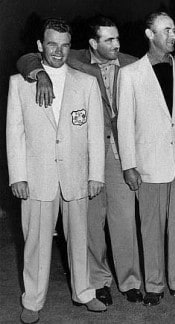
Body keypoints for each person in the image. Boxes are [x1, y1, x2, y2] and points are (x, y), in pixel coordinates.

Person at [16, 15, 142, 306]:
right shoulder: (73, 57)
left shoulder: (133, 62)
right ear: (92, 42)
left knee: (124, 221)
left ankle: (130, 282)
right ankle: (98, 282)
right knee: (90, 228)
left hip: (121, 152)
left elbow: (163, 63)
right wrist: (40, 73)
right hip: (84, 155)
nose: (116, 44)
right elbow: (29, 57)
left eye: (118, 37)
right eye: (108, 39)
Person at [7, 17, 106, 323]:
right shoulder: (19, 83)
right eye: (52, 44)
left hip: (76, 174)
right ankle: (33, 301)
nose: (59, 52)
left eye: (64, 45)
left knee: (79, 238)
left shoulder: (86, 82)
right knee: (36, 242)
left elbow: (94, 134)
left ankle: (84, 292)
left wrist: (96, 175)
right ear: (40, 46)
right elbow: (15, 132)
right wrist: (18, 176)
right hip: (37, 176)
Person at [117, 12, 175, 306]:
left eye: (174, 30)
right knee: (150, 227)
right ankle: (154, 285)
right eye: (166, 31)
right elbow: (124, 123)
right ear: (150, 35)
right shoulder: (130, 74)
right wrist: (128, 165)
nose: (172, 36)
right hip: (149, 165)